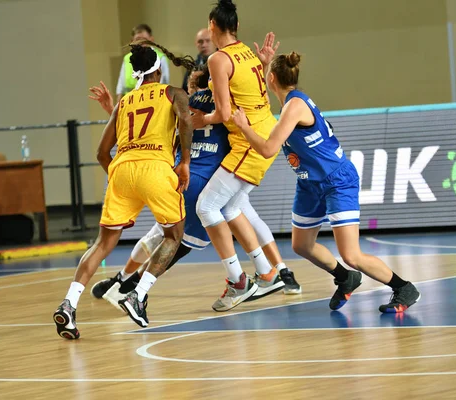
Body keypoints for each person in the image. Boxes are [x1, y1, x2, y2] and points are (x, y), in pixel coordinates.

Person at [90, 66, 302, 312]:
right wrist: (262, 68)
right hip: (216, 176)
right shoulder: (225, 107)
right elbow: (252, 99)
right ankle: (269, 272)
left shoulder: (185, 105)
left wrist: (113, 111)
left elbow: (143, 128)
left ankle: (128, 284)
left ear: (192, 89)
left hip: (181, 181)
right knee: (200, 230)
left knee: (162, 237)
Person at [231, 51, 421, 313]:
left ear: (271, 78)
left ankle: (403, 287)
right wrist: (265, 64)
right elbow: (268, 100)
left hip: (336, 181)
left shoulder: (295, 106)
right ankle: (346, 278)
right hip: (310, 183)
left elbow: (267, 149)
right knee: (301, 245)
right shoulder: (289, 102)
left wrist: (242, 125)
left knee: (352, 255)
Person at [53, 43, 195, 337]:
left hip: (122, 169)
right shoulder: (172, 93)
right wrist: (185, 163)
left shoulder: (124, 101)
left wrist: (120, 177)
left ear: (135, 73)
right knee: (174, 235)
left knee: (102, 245)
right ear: (158, 68)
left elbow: (101, 153)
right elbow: (185, 119)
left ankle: (68, 305)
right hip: (156, 168)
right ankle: (137, 296)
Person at [191, 0, 283, 311]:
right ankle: (268, 272)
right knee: (231, 207)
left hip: (249, 142)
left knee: (206, 207)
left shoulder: (219, 59)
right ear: (237, 27)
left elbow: (224, 112)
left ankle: (237, 282)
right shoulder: (247, 53)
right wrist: (265, 62)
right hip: (266, 130)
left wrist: (201, 120)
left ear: (212, 26)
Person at [115, 24, 170, 102]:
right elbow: (121, 88)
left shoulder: (160, 58)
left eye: (144, 39)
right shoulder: (127, 59)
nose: (141, 42)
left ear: (151, 39)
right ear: (132, 41)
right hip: (131, 102)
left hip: (152, 101)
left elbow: (164, 84)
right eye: (138, 39)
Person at [181, 28, 216, 93]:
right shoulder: (192, 66)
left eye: (208, 41)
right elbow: (184, 91)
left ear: (215, 42)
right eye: (200, 42)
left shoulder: (224, 63)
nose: (204, 45)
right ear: (195, 44)